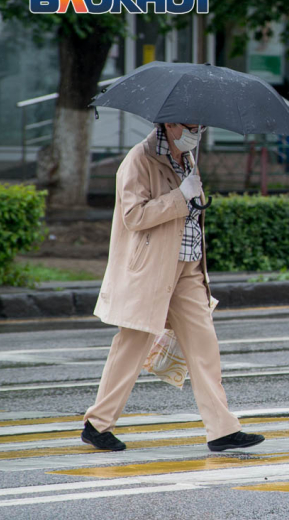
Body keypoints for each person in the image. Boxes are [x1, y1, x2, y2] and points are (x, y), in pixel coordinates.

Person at [82, 124, 265, 452]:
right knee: (132, 346)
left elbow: (189, 213)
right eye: (190, 126)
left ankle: (222, 429)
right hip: (151, 269)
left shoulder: (187, 158)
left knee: (204, 345)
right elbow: (133, 216)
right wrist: (180, 196)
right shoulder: (140, 159)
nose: (196, 132)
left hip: (188, 269)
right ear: (169, 124)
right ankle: (97, 424)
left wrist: (191, 196)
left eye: (200, 126)